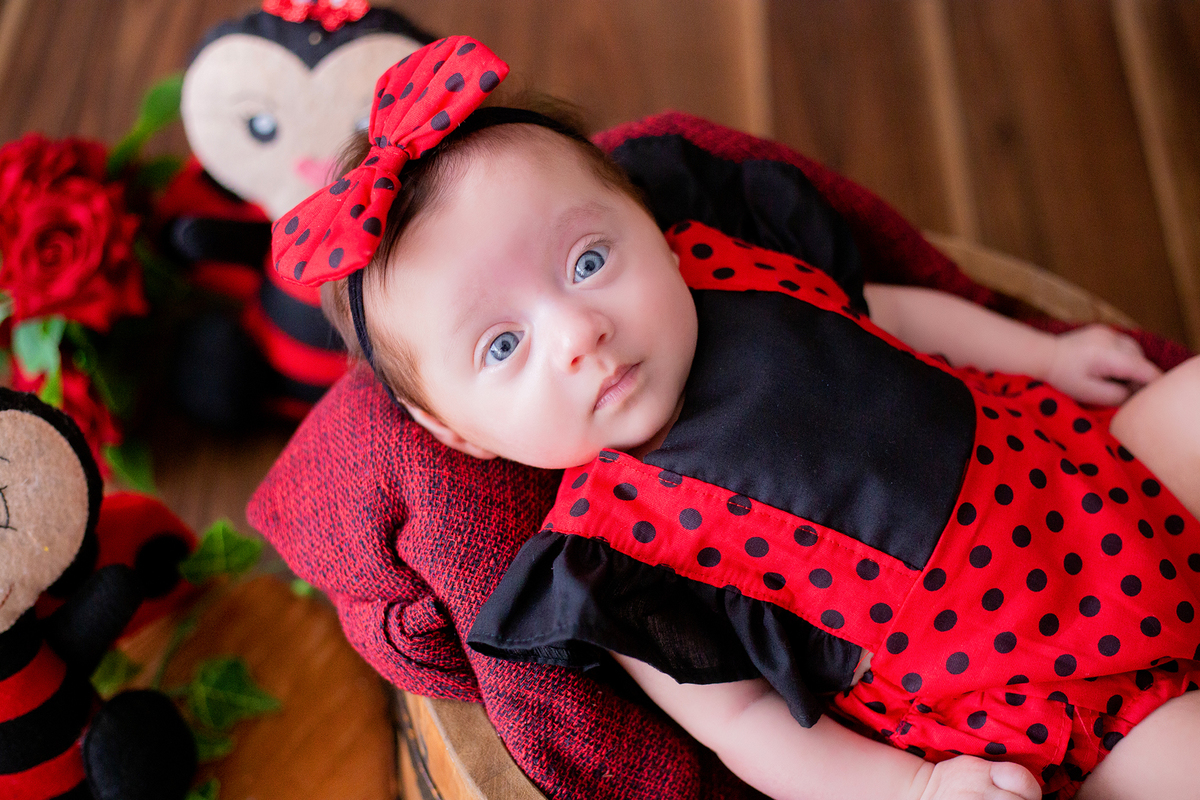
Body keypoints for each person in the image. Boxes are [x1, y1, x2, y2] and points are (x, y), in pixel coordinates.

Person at [271, 36, 1200, 800]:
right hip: (1037, 691)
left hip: (1094, 469)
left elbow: (890, 312)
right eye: (503, 346)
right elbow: (748, 725)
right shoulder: (609, 558)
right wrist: (916, 787)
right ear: (459, 435)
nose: (579, 333)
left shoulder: (732, 266)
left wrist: (1043, 354)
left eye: (589, 261)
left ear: (653, 230)